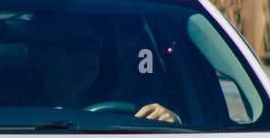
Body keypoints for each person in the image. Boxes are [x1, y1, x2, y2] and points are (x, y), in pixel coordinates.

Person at [29, 15, 178, 123]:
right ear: (39, 57)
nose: (86, 55)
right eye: (73, 45)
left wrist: (172, 121)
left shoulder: (131, 110)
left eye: (91, 44)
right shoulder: (12, 114)